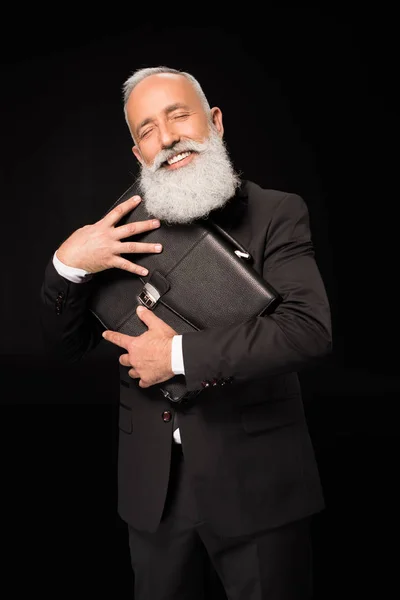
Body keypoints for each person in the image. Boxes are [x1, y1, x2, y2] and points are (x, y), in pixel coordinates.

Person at [39, 65, 332, 599]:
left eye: (178, 115)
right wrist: (66, 265)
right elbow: (64, 346)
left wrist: (175, 355)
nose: (167, 136)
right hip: (155, 496)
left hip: (258, 489)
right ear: (138, 153)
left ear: (214, 122)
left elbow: (308, 331)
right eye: (147, 129)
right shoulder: (118, 229)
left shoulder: (277, 212)